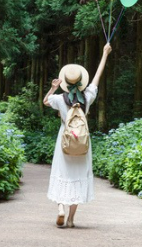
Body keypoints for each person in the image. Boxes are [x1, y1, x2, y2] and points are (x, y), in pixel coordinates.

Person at [43, 43, 112, 228]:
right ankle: (71, 219)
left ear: (65, 82)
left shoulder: (59, 99)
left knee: (60, 174)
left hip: (64, 141)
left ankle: (60, 210)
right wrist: (105, 53)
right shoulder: (87, 97)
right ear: (81, 82)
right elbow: (97, 76)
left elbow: (45, 101)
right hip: (81, 143)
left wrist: (53, 88)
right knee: (77, 178)